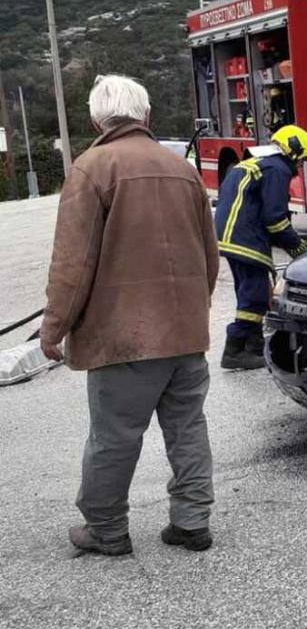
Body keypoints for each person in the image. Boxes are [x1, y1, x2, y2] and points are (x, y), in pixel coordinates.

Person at [40, 74, 220, 557]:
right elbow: (209, 256)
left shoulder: (92, 168)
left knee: (114, 437)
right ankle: (191, 521)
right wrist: (194, 312)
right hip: (185, 335)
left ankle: (106, 529)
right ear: (146, 116)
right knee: (188, 430)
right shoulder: (181, 169)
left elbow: (72, 265)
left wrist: (53, 326)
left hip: (123, 339)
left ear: (98, 118)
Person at [215, 124, 307, 369]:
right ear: (292, 152)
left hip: (231, 236)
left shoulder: (257, 163)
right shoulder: (277, 169)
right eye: (301, 162)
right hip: (245, 238)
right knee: (256, 295)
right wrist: (299, 247)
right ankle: (234, 349)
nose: (299, 169)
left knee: (251, 290)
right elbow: (275, 219)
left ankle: (254, 347)